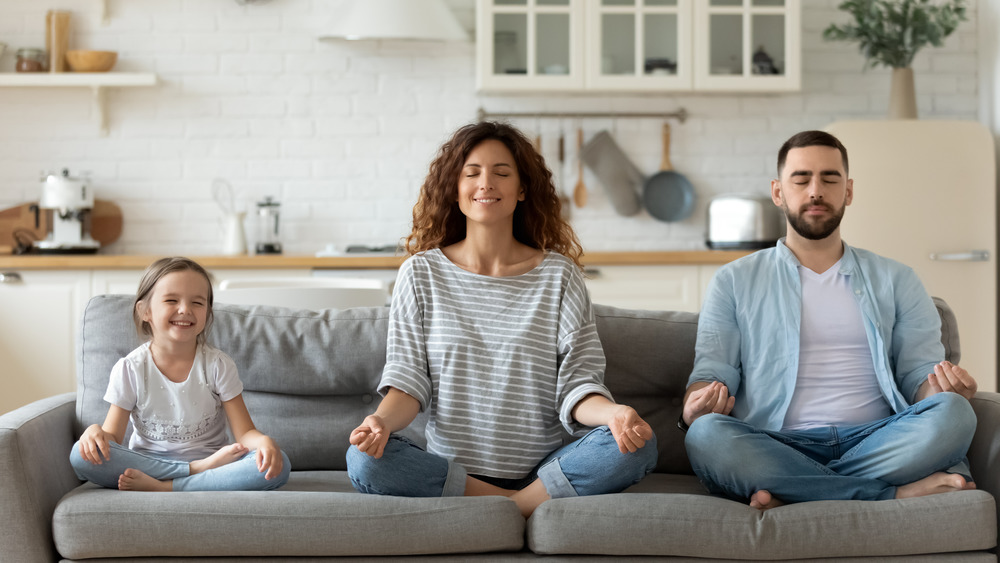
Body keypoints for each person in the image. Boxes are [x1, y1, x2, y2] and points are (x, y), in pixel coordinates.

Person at [346, 121, 657, 517]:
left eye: (502, 173)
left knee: (639, 443)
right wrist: (379, 422)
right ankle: (518, 509)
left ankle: (502, 506)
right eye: (471, 173)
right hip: (451, 470)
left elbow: (578, 385)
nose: (485, 183)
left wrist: (614, 414)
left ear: (522, 189)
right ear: (454, 188)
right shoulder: (420, 273)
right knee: (363, 459)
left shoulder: (559, 276)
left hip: (543, 470)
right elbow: (408, 382)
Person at [682, 130, 978, 510]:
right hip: (776, 441)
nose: (815, 191)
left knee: (955, 413)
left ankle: (793, 490)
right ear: (778, 192)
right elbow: (713, 371)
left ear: (849, 191)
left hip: (876, 438)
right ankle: (890, 494)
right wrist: (695, 406)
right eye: (801, 179)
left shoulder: (898, 279)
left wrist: (944, 391)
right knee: (706, 435)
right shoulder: (733, 280)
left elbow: (918, 376)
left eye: (830, 178)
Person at [70, 257, 290, 492]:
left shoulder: (218, 365)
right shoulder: (130, 368)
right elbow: (112, 435)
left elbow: (245, 432)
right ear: (145, 311)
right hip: (159, 465)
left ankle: (167, 487)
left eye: (197, 302)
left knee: (280, 465)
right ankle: (194, 472)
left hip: (214, 464)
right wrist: (96, 433)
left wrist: (263, 442)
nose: (185, 309)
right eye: (171, 300)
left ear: (207, 312)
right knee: (79, 456)